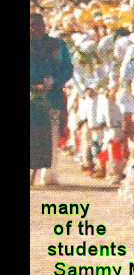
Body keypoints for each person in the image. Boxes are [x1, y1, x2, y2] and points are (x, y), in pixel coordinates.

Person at [31, 11, 74, 185]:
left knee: (52, 134)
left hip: (51, 96)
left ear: (44, 26)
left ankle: (48, 174)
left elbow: (68, 68)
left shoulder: (57, 45)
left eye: (37, 25)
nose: (34, 29)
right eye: (31, 25)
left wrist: (55, 81)